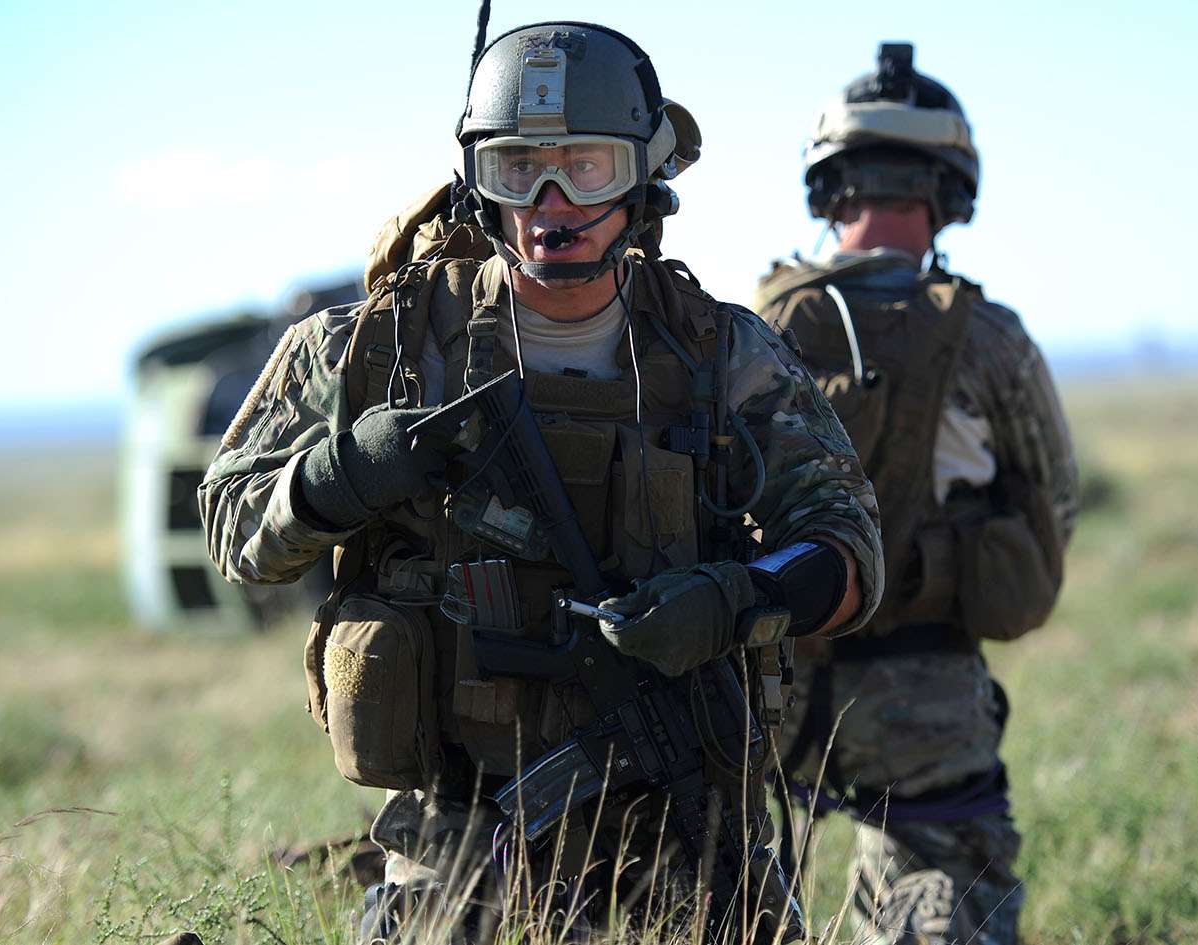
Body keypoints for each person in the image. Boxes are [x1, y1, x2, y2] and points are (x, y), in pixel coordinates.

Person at [198, 19, 882, 944]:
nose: (552, 202)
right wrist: (341, 474)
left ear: (644, 181)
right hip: (461, 820)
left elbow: (847, 543)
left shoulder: (721, 353)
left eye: (588, 168)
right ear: (478, 183)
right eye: (519, 168)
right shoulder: (376, 349)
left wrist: (739, 597)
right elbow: (232, 526)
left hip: (678, 805)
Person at [755, 42, 1078, 945]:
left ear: (830, 187)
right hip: (927, 690)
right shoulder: (991, 340)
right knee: (945, 899)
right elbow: (1054, 502)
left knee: (725, 905)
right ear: (949, 190)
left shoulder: (757, 326)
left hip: (763, 682)